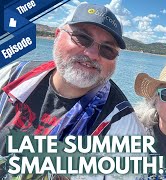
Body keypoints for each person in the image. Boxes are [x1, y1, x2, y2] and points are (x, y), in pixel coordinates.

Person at [0, 2, 144, 179]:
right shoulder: (12, 76)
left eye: (107, 49)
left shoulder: (122, 129)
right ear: (58, 35)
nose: (92, 54)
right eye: (82, 38)